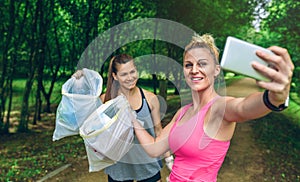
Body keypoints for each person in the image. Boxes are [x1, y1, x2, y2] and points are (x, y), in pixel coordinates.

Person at [132, 33, 294, 182]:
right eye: (189, 65)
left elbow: (243, 108)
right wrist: (132, 119)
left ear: (216, 70)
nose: (194, 70)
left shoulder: (219, 108)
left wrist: (275, 97)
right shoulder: (183, 112)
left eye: (202, 64)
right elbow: (154, 149)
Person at [100, 54, 172, 182]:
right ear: (115, 76)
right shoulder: (106, 100)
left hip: (147, 164)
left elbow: (158, 131)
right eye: (124, 74)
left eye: (132, 72)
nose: (130, 78)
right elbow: (100, 132)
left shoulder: (150, 99)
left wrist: (168, 159)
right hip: (119, 167)